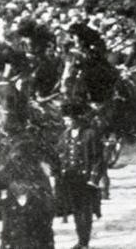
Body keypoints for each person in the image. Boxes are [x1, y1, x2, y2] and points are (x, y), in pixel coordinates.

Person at [55, 101, 102, 249]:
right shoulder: (65, 135)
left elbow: (98, 158)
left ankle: (84, 241)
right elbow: (60, 153)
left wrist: (94, 179)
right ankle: (80, 238)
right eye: (65, 119)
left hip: (86, 179)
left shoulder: (90, 134)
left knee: (85, 211)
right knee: (75, 210)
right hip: (70, 179)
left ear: (76, 118)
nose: (66, 122)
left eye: (69, 119)